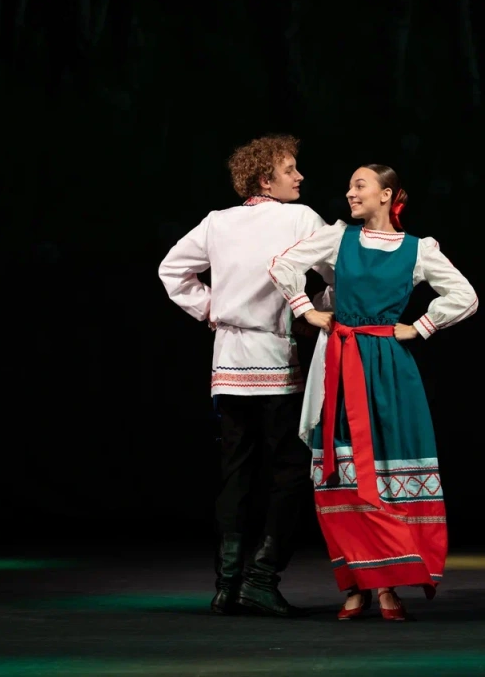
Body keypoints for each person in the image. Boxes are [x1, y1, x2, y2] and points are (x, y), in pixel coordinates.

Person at [267, 164, 478, 620]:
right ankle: (355, 584)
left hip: (388, 369)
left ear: (387, 194)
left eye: (359, 185)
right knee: (342, 472)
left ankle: (385, 585)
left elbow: (465, 296)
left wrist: (419, 327)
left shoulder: (417, 250)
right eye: (349, 185)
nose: (350, 192)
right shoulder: (338, 238)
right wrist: (307, 310)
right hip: (340, 364)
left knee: (385, 470)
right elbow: (283, 265)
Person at [158, 134, 333, 618]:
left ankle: (227, 584)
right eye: (290, 169)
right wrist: (316, 310)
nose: (299, 176)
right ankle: (260, 577)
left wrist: (212, 308)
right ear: (265, 180)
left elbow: (172, 270)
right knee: (290, 468)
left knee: (236, 471)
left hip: (230, 362)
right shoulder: (300, 218)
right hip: (274, 356)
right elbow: (337, 271)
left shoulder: (218, 222)